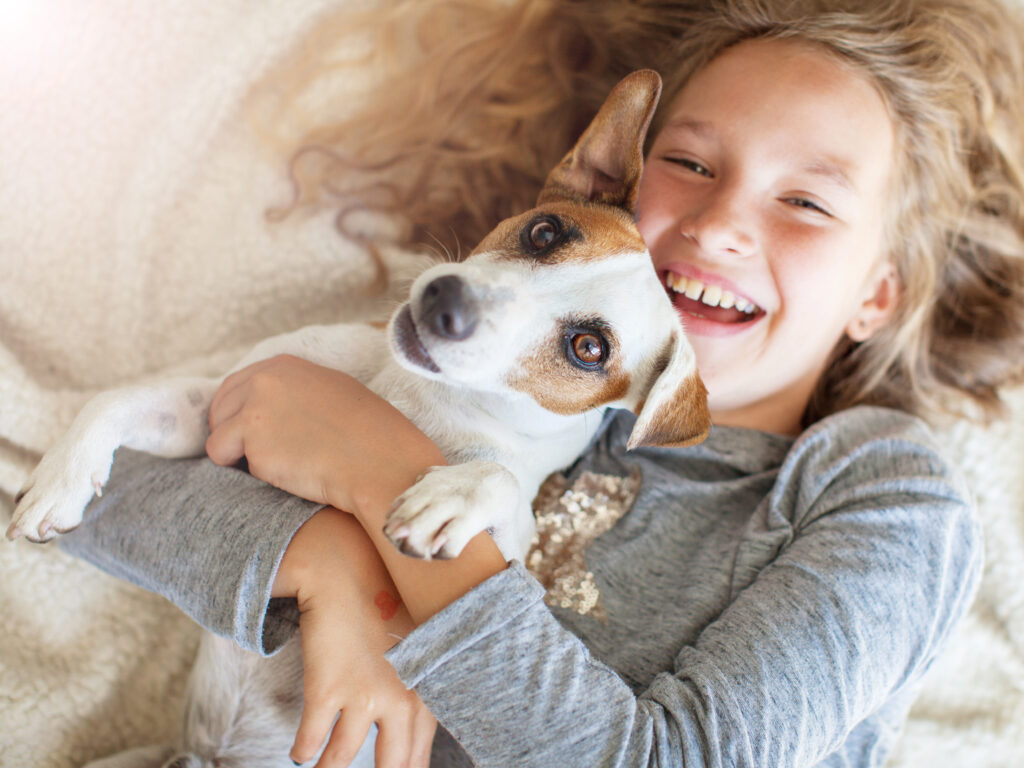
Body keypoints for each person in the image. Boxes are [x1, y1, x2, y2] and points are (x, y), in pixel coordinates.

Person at [57, 0, 1024, 765]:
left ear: (879, 295)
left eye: (807, 201)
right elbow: (85, 497)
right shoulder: (510, 356)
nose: (721, 221)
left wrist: (377, 481)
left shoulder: (886, 493)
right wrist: (327, 569)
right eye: (688, 162)